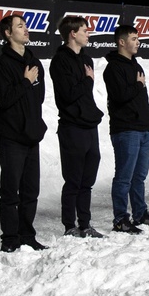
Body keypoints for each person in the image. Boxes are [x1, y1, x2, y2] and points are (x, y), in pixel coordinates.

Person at [0, 14, 49, 252]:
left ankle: (27, 235)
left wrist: (29, 84)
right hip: (11, 137)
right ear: (7, 33)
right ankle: (10, 239)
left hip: (31, 135)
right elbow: (5, 100)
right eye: (20, 26)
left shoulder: (35, 62)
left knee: (30, 190)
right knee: (10, 190)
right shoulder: (1, 65)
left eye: (26, 25)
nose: (26, 30)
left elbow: (39, 98)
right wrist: (25, 82)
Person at [103, 24, 149, 234]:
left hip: (143, 129)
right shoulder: (113, 68)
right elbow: (120, 96)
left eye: (138, 38)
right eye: (134, 38)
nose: (138, 42)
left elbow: (140, 98)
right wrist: (137, 86)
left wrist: (148, 121)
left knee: (139, 176)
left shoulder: (136, 66)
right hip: (125, 130)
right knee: (124, 176)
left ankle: (140, 213)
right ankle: (120, 219)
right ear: (121, 42)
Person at [50, 16, 106, 238]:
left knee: (87, 180)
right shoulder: (59, 61)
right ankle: (69, 226)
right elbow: (69, 95)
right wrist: (88, 81)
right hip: (72, 127)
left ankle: (85, 224)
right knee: (73, 179)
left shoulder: (87, 60)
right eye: (85, 30)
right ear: (73, 33)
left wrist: (86, 82)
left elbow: (83, 96)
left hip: (89, 125)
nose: (88, 34)